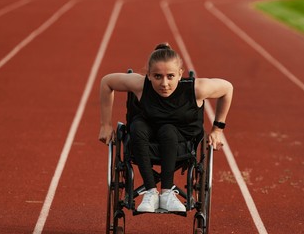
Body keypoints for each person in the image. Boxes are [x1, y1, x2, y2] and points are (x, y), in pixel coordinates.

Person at [99, 43, 233, 213]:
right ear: (148, 75)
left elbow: (227, 88)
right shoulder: (141, 85)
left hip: (181, 139)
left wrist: (218, 129)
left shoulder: (196, 89)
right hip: (146, 135)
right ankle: (151, 192)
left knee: (168, 130)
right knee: (137, 126)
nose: (164, 83)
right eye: (157, 76)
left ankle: (167, 192)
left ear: (180, 74)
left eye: (170, 76)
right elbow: (106, 82)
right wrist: (105, 125)